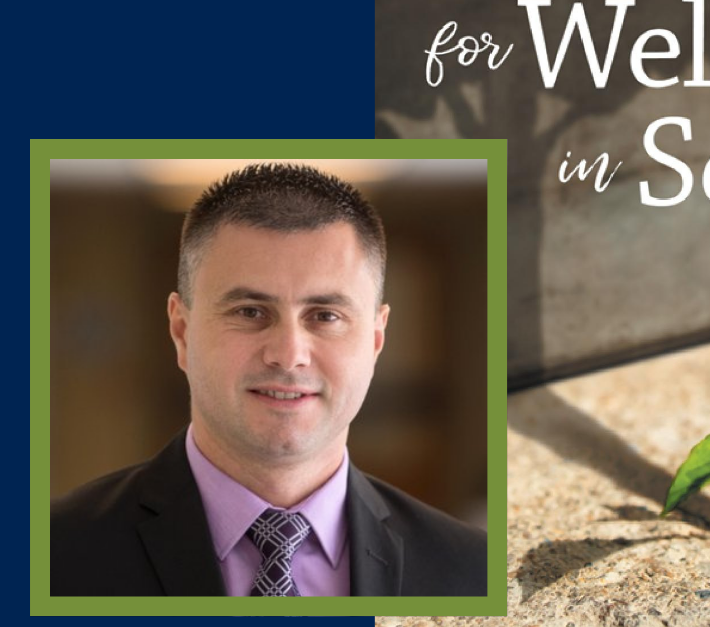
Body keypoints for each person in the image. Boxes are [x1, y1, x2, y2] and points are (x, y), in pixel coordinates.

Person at [51, 162, 487, 597]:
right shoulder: (53, 555)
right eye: (250, 312)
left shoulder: (471, 572)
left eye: (325, 316)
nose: (289, 355)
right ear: (181, 331)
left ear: (376, 339)